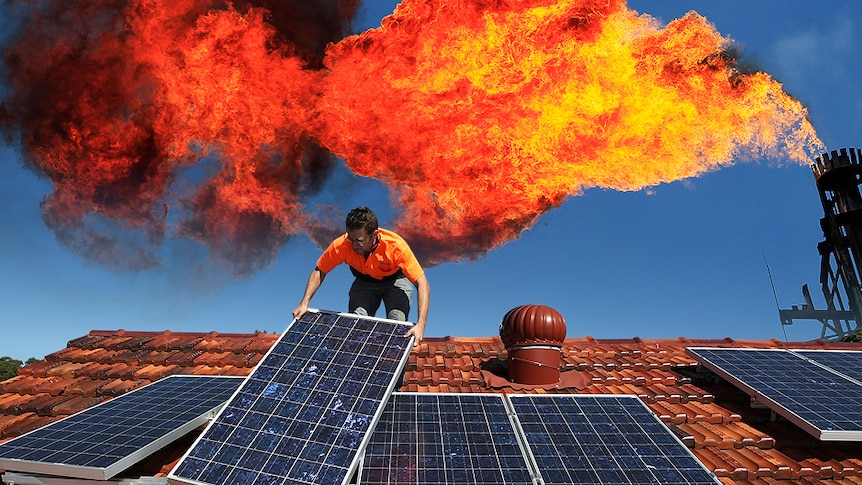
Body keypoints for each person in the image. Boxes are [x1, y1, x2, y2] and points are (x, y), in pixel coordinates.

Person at [292, 207, 430, 344]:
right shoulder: (342, 245)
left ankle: (395, 361)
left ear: (374, 235)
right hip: (365, 282)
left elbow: (422, 283)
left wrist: (420, 325)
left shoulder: (396, 246)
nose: (354, 245)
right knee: (356, 324)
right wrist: (304, 303)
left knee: (396, 323)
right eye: (351, 239)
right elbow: (320, 270)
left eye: (359, 241)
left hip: (396, 281)